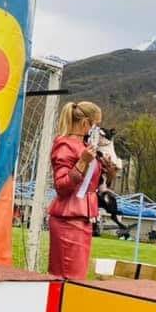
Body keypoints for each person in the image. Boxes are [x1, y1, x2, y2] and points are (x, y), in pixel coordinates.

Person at [47, 101, 114, 280]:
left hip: (84, 218)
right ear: (85, 123)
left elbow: (94, 185)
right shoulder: (65, 145)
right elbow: (61, 186)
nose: (97, 130)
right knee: (68, 277)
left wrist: (109, 171)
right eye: (96, 125)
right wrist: (83, 162)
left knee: (77, 278)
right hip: (67, 219)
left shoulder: (87, 148)